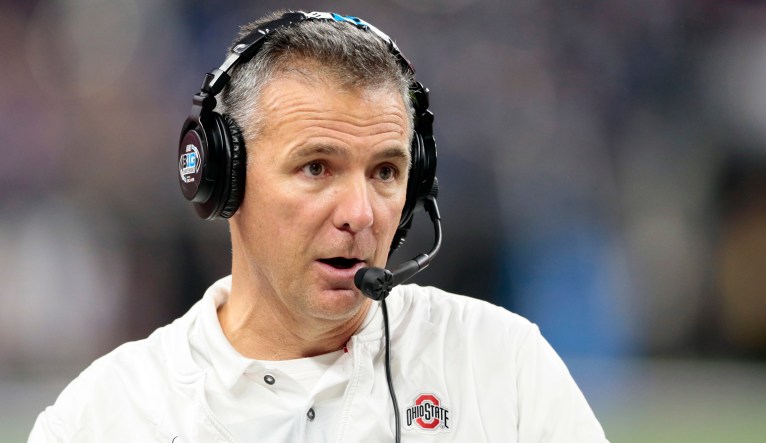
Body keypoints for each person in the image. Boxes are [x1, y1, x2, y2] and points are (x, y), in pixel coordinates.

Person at [30, 10, 608, 442]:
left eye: (385, 170)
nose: (360, 213)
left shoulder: (502, 366)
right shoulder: (105, 417)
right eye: (316, 167)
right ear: (225, 178)